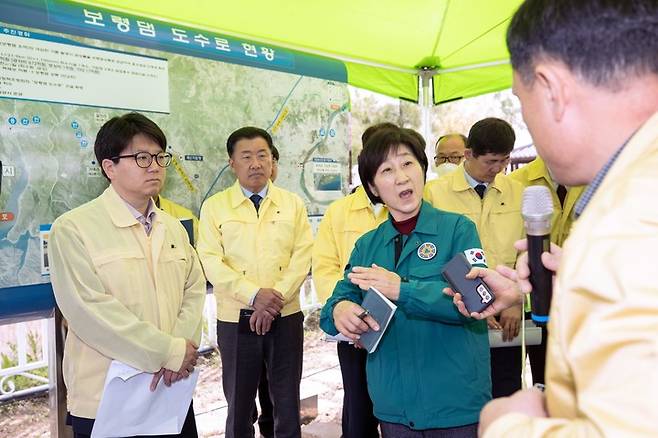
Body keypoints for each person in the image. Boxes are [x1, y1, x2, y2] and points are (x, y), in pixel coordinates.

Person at [446, 0, 658, 436]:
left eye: (524, 106)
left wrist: (506, 424)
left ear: (551, 89)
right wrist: (574, 288)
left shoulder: (628, 226)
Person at [320, 127, 490, 437]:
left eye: (408, 163)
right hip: (394, 409)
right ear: (372, 186)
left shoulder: (457, 231)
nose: (401, 177)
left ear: (423, 168)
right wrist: (340, 309)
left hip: (455, 405)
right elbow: (334, 306)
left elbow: (477, 300)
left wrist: (402, 289)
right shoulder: (366, 246)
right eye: (387, 170)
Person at [49, 112, 206, 438]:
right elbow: (89, 311)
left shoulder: (173, 227)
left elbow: (192, 291)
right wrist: (166, 352)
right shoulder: (74, 228)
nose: (154, 166)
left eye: (160, 157)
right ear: (109, 168)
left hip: (171, 389)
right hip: (107, 398)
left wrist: (178, 350)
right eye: (141, 157)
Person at [197, 127, 312, 438]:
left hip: (285, 316)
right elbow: (210, 260)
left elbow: (302, 256)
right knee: (239, 403)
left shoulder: (292, 204)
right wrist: (253, 296)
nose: (256, 163)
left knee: (286, 401)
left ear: (272, 161)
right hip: (236, 320)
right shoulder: (215, 207)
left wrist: (273, 301)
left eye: (263, 155)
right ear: (232, 163)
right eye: (246, 156)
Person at [424, 118, 526, 398]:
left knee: (506, 392)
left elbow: (526, 253)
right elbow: (434, 258)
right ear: (468, 155)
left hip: (507, 318)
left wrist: (515, 301)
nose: (498, 169)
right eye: (491, 161)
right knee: (461, 395)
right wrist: (475, 301)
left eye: (504, 161)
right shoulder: (435, 193)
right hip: (457, 313)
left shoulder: (518, 193)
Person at [312, 122, 395, 438]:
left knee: (396, 407)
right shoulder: (339, 211)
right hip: (353, 332)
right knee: (358, 408)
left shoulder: (406, 210)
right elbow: (325, 266)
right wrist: (347, 314)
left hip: (398, 327)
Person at [508, 155, 585, 385]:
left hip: (577, 294)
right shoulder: (518, 182)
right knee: (543, 372)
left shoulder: (595, 179)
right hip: (536, 292)